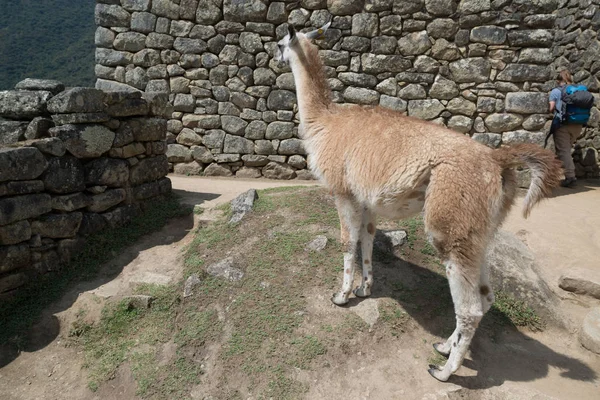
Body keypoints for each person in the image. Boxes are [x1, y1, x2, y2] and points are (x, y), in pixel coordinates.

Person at [548, 70, 583, 188]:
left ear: (558, 80)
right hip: (578, 124)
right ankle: (561, 173)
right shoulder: (578, 90)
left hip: (563, 125)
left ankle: (570, 177)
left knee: (564, 151)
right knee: (566, 150)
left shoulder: (556, 91)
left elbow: (551, 107)